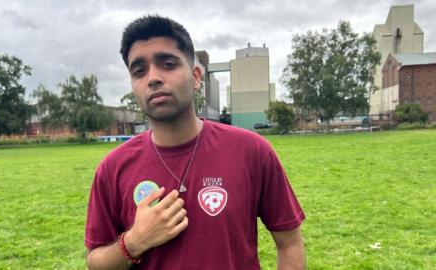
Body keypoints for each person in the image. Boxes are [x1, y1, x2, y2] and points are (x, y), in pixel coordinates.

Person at [85, 15, 306, 270]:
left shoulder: (252, 152)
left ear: (196, 77)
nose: (153, 78)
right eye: (139, 71)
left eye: (167, 64)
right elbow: (95, 263)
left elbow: (289, 242)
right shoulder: (112, 169)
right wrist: (134, 241)